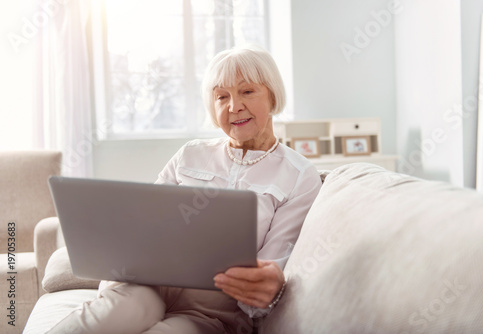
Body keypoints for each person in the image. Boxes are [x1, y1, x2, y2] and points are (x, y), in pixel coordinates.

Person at [47, 45, 322, 334]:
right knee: (118, 311)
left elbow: (271, 268)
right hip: (148, 284)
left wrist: (269, 287)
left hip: (213, 310)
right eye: (222, 97)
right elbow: (142, 221)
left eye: (247, 92)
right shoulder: (190, 154)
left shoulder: (299, 176)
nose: (234, 106)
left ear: (273, 94)